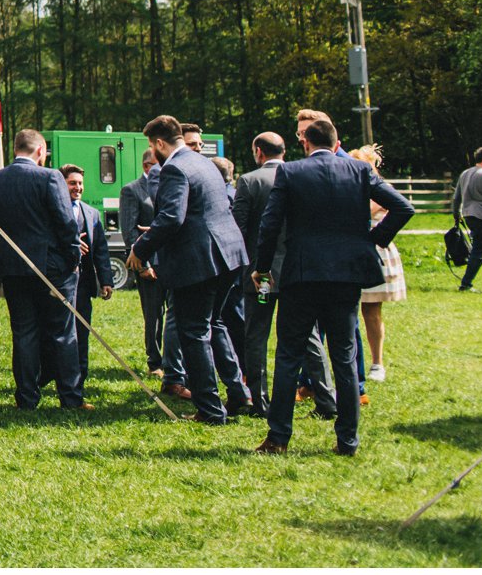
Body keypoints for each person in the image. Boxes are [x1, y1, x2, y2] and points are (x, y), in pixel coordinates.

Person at [253, 109, 415, 456]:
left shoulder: (291, 171)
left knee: (288, 355)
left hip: (301, 275)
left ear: (306, 142)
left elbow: (270, 225)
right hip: (346, 275)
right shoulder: (359, 170)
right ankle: (348, 440)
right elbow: (403, 207)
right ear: (337, 143)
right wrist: (371, 239)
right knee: (344, 355)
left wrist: (262, 268)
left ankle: (278, 437)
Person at [128, 114, 252, 425]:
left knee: (194, 333)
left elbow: (172, 218)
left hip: (200, 261)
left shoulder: (173, 168)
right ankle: (239, 394)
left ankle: (210, 409)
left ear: (159, 143)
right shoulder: (205, 162)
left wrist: (140, 249)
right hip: (229, 255)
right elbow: (197, 211)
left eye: (150, 145)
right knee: (216, 324)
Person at [0, 130, 88, 411]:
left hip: (13, 271)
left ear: (16, 148)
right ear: (40, 150)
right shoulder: (49, 177)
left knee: (24, 333)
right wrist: (72, 259)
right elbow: (66, 224)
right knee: (63, 333)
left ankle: (27, 398)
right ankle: (71, 398)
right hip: (52, 268)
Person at [233, 131, 337, 418]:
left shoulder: (250, 181)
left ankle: (261, 401)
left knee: (257, 334)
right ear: (285, 150)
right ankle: (327, 399)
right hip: (297, 272)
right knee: (310, 336)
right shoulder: (302, 176)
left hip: (263, 275)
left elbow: (239, 228)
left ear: (258, 151)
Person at [350, 145, 406, 382]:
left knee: (371, 310)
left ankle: (377, 363)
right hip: (351, 251)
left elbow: (364, 211)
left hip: (375, 250)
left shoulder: (381, 189)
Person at [120, 149, 172, 380]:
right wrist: (142, 263)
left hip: (173, 263)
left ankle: (174, 360)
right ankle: (155, 360)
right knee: (153, 315)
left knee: (174, 316)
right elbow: (130, 230)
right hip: (150, 263)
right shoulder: (132, 190)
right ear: (147, 166)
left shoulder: (171, 187)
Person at [59, 163, 112, 388]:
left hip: (84, 285)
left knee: (82, 334)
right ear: (63, 185)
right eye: (72, 183)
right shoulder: (55, 210)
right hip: (60, 283)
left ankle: (79, 381)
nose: (77, 188)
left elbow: (100, 250)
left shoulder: (92, 213)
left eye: (80, 183)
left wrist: (106, 280)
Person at [453, 147, 482, 291]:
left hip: (469, 216)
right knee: (480, 250)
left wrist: (456, 216)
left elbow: (457, 198)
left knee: (480, 250)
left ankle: (466, 283)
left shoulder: (465, 173)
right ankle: (466, 283)